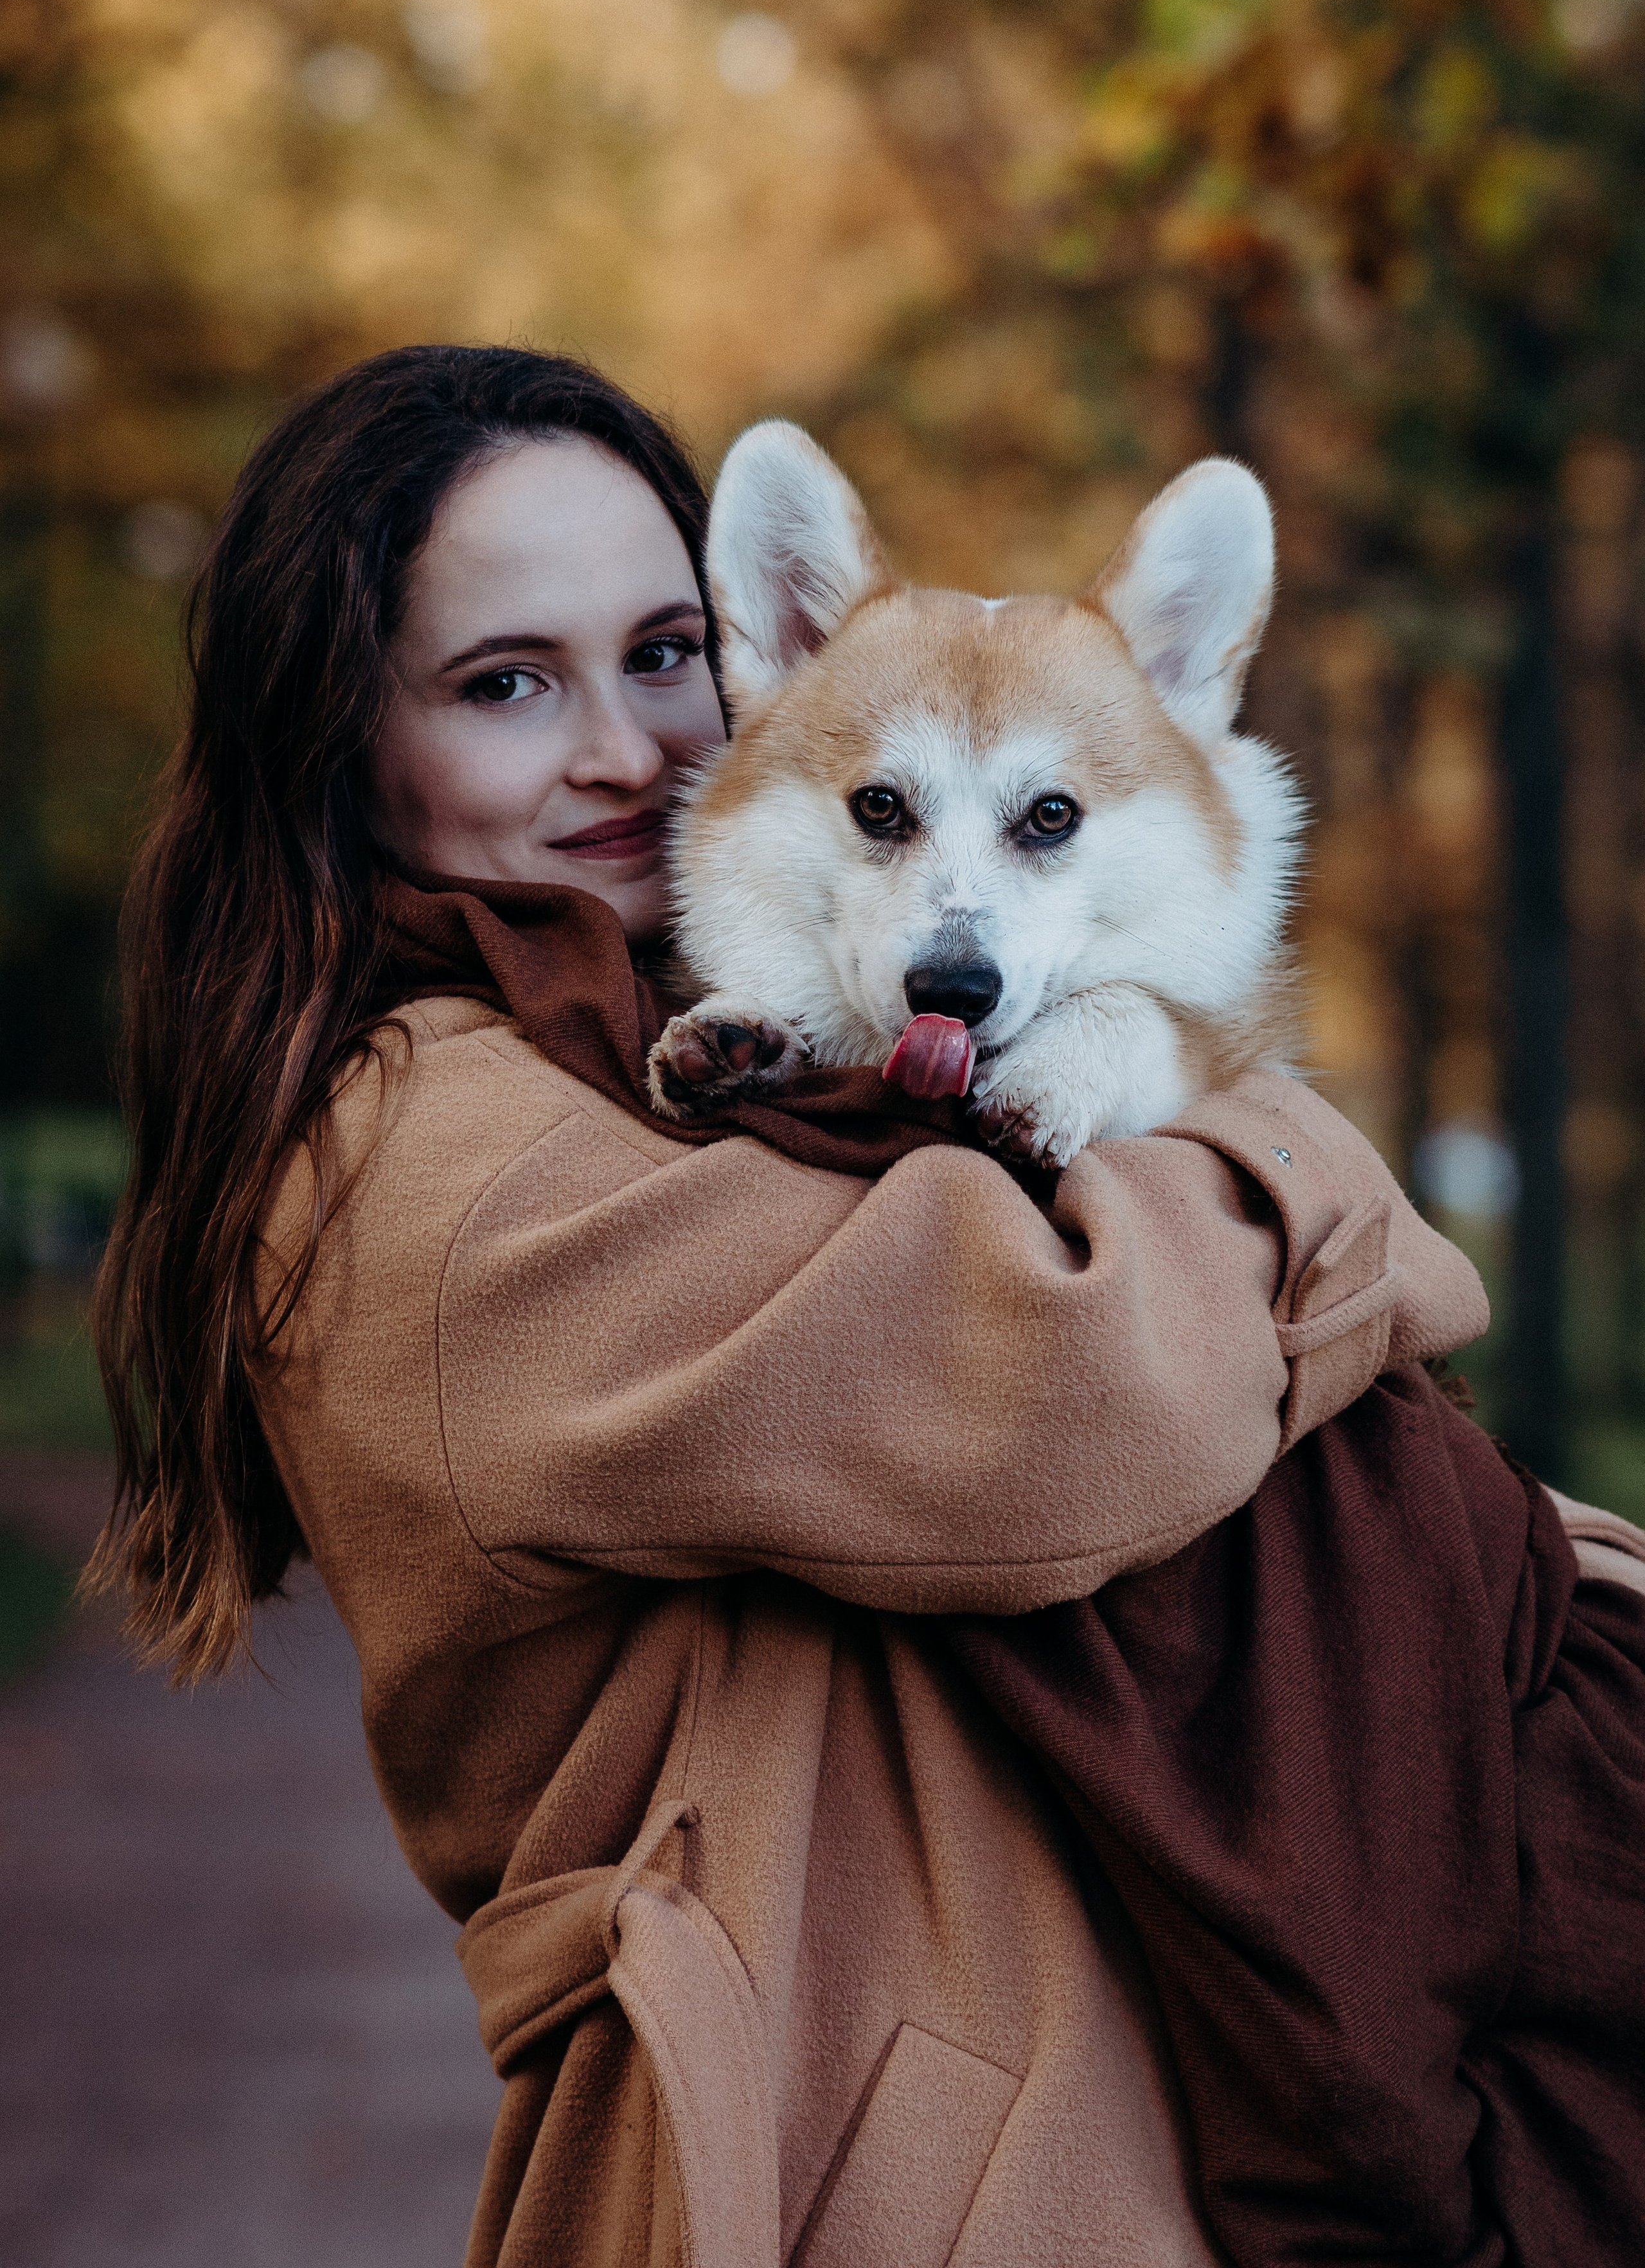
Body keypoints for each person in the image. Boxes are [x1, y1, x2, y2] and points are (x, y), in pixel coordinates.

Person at [89, 345, 1643, 2267]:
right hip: (869, 2148)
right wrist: (1332, 1188)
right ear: (342, 739)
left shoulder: (659, 1050)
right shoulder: (430, 1163)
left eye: (669, 652)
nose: (635, 746)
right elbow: (1082, 1396)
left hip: (1052, 2067)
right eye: (507, 684)